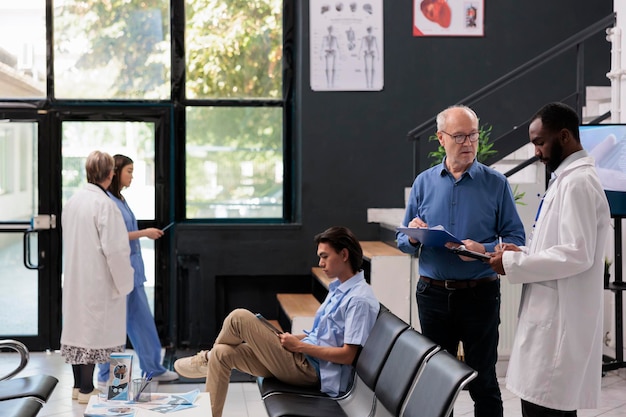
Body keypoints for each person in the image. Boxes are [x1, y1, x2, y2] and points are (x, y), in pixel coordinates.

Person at [396, 105, 525, 417]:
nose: (468, 143)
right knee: (437, 382)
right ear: (441, 138)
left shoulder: (496, 184)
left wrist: (481, 247)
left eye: (473, 136)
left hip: (479, 294)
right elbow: (403, 241)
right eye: (459, 136)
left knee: (484, 381)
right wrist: (414, 236)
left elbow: (516, 240)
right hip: (433, 295)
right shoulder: (423, 183)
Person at [174, 226, 380, 417]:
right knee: (223, 354)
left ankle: (205, 360)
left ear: (344, 255)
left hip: (312, 372)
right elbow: (321, 335)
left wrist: (300, 346)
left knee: (239, 317)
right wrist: (293, 339)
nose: (321, 263)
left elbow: (347, 355)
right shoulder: (339, 289)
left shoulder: (358, 299)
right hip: (302, 359)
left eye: (325, 257)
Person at [488, 102, 611, 417]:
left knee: (546, 409)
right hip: (548, 321)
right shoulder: (565, 179)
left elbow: (577, 252)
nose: (536, 152)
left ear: (565, 136)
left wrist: (514, 265)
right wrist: (521, 254)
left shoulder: (578, 182)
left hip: (557, 330)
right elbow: (557, 245)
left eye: (540, 142)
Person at [97, 154, 178, 388]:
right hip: (117, 274)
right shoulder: (107, 201)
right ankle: (107, 377)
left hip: (133, 272)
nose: (132, 176)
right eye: (129, 171)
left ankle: (153, 368)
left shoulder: (120, 199)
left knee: (143, 322)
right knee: (114, 328)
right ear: (115, 172)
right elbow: (111, 237)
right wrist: (145, 233)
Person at [60, 150, 134, 403]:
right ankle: (87, 389)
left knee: (75, 331)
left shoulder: (73, 201)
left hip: (74, 277)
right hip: (97, 280)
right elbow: (115, 249)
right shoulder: (105, 205)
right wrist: (125, 281)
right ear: (110, 173)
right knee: (91, 333)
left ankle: (77, 386)